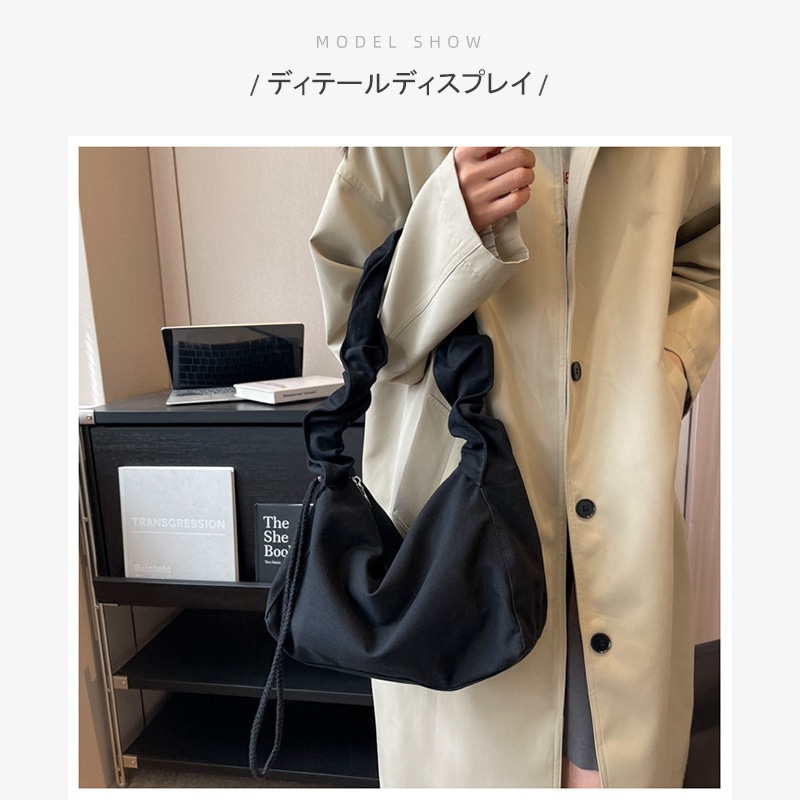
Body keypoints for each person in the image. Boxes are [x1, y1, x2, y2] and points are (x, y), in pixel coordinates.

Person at [308, 146, 720, 788]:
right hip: (453, 521)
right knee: (473, 761)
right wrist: (451, 221)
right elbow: (353, 324)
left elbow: (711, 250)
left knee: (607, 756)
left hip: (616, 485)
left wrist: (667, 366)